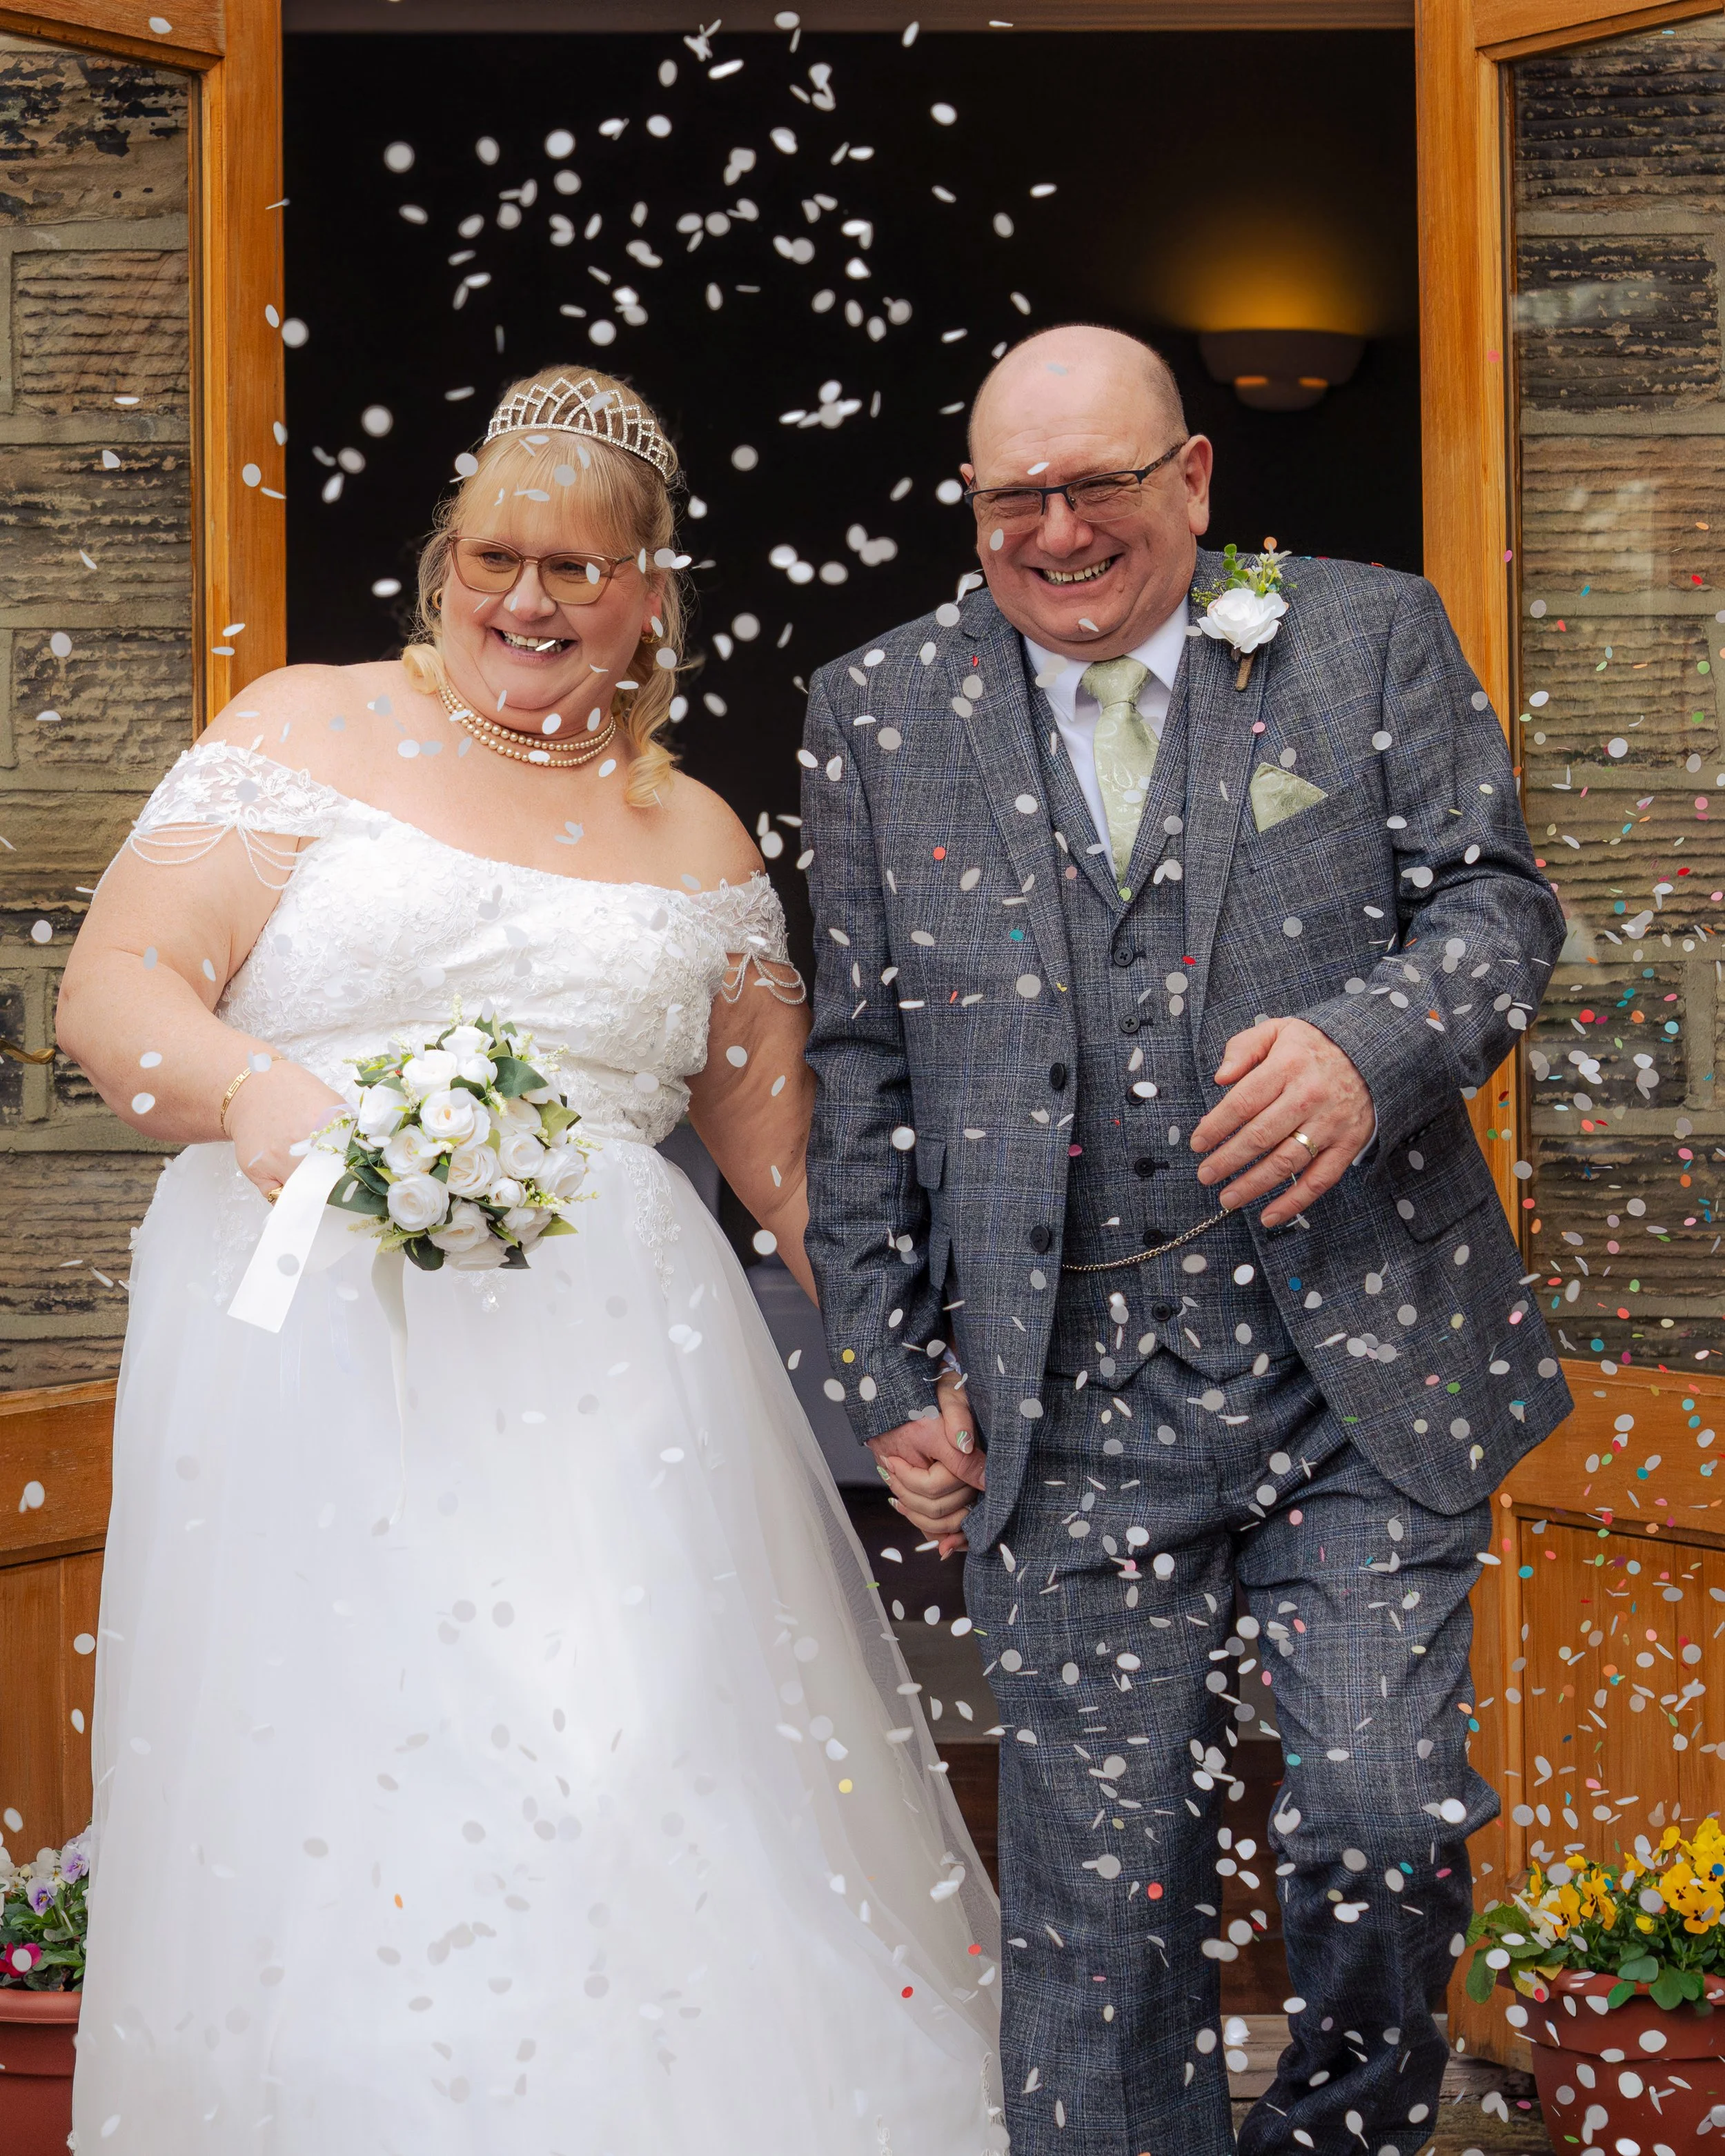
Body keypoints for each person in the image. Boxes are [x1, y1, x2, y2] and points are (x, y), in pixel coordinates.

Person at [58, 367, 1005, 2154]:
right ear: (442, 562)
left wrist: (902, 1379)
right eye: (496, 553)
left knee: (619, 1746)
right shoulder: (301, 731)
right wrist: (266, 1095)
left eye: (580, 566)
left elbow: (787, 1170)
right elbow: (110, 996)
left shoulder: (701, 837)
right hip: (309, 1353)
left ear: (652, 588)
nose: (530, 599)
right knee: (351, 1770)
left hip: (615, 1387)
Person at [800, 323, 1570, 2156]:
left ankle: (1336, 2133)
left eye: (1097, 486)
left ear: (1194, 481)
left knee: (1380, 1819)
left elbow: (1496, 910)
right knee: (1098, 1894)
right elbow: (859, 1057)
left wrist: (1368, 1043)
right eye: (1013, 498)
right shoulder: (877, 705)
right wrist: (890, 1365)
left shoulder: (1362, 631)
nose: (1056, 530)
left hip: (1356, 1362)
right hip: (1066, 1385)